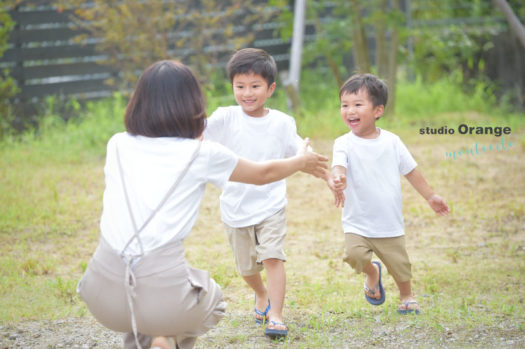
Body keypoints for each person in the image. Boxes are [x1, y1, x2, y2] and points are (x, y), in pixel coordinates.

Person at [76, 60, 328, 349]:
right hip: (162, 296)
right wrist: (300, 162)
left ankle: (156, 338)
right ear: (192, 103)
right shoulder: (201, 154)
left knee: (142, 325)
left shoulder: (117, 144)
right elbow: (263, 174)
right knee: (213, 300)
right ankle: (168, 337)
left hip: (100, 294)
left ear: (138, 102)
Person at [203, 48, 307, 339]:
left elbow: (301, 154)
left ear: (270, 88)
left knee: (273, 257)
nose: (247, 93)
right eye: (240, 86)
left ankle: (276, 315)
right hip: (235, 207)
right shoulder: (225, 118)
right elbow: (197, 134)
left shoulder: (283, 123)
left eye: (255, 86)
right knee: (247, 268)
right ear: (232, 87)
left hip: (272, 203)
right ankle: (260, 293)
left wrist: (327, 173)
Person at [329, 73, 450, 315]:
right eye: (345, 105)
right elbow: (338, 165)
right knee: (354, 255)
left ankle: (407, 296)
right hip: (357, 220)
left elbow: (411, 172)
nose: (349, 111)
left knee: (400, 265)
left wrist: (430, 196)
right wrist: (338, 178)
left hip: (388, 220)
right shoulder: (343, 142)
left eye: (357, 104)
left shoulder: (392, 142)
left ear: (378, 110)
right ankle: (372, 272)